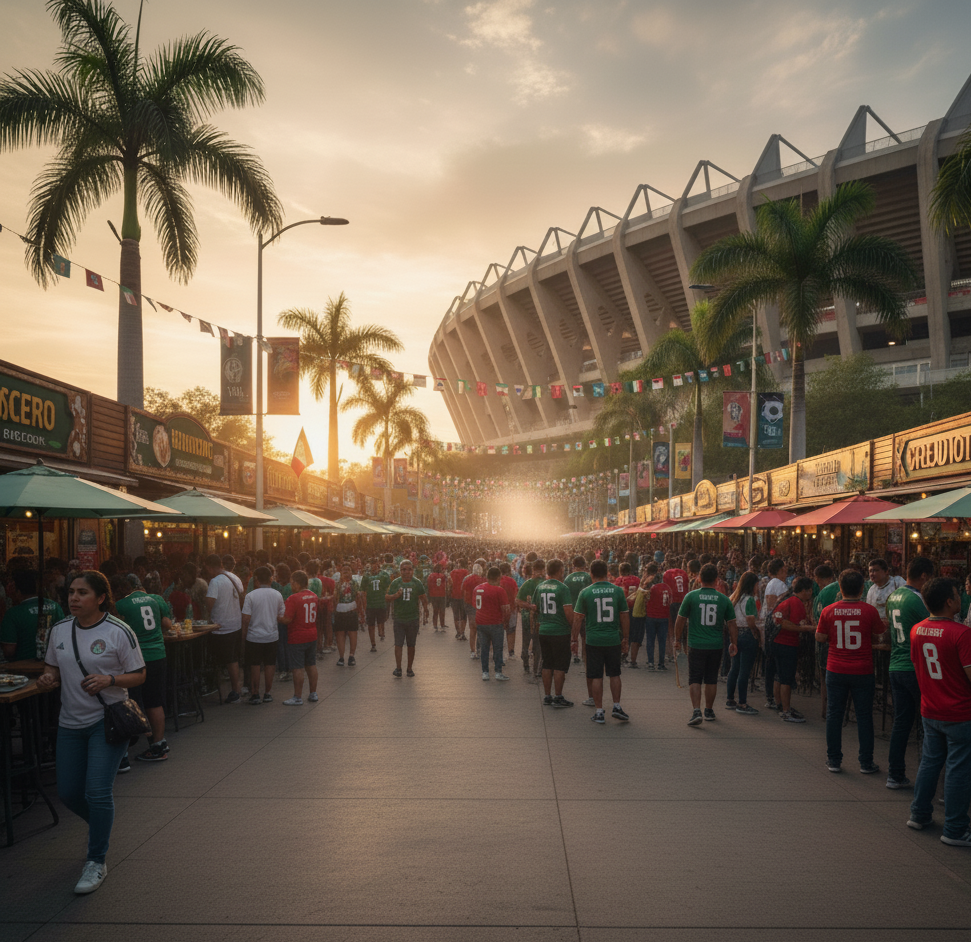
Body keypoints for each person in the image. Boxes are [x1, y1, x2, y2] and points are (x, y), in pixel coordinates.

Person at [36, 571, 146, 894]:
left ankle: (96, 860)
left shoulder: (118, 631)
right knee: (69, 793)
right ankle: (101, 824)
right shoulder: (59, 630)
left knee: (97, 791)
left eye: (82, 592)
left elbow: (139, 674)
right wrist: (47, 678)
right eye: (71, 592)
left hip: (107, 722)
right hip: (69, 723)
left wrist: (109, 680)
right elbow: (52, 667)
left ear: (100, 598)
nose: (73, 598)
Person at [907, 577, 971, 845]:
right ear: (949, 601)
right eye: (957, 594)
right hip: (959, 712)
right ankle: (955, 829)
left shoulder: (917, 630)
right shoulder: (961, 633)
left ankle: (919, 814)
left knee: (930, 761)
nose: (960, 598)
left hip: (930, 708)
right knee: (958, 768)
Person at [815, 569, 886, 774]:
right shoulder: (869, 610)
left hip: (836, 668)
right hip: (863, 670)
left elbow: (819, 637)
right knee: (864, 716)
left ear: (840, 587)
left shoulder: (829, 610)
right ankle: (866, 762)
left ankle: (834, 760)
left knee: (834, 715)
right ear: (862, 588)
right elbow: (879, 633)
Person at [882, 556, 934, 788]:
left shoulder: (894, 596)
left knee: (901, 722)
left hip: (896, 664)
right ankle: (928, 779)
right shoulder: (917, 600)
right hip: (916, 666)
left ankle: (895, 773)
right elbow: (933, 626)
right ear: (924, 576)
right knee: (928, 723)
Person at [110, 574, 170, 764]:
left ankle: (123, 754)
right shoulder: (157, 599)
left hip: (135, 659)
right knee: (155, 701)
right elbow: (167, 624)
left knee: (129, 703)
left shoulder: (122, 605)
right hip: (158, 654)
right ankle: (159, 745)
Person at [675, 563, 738, 726]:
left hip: (695, 644)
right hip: (716, 644)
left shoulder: (691, 596)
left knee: (695, 678)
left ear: (699, 578)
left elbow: (680, 619)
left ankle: (696, 710)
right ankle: (709, 710)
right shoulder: (724, 599)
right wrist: (733, 642)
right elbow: (732, 623)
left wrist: (676, 639)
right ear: (717, 580)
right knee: (711, 679)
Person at [572, 560, 630, 723]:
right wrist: (625, 638)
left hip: (593, 640)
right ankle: (617, 706)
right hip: (613, 639)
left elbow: (578, 618)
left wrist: (573, 639)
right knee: (614, 674)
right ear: (607, 573)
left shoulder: (585, 592)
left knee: (596, 676)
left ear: (591, 573)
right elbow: (624, 616)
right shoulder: (617, 591)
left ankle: (599, 711)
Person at [770, 576, 816, 723]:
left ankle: (779, 704)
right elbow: (784, 623)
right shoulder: (796, 602)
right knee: (786, 679)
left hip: (777, 642)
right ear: (805, 590)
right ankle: (786, 710)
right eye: (810, 591)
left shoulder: (787, 599)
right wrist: (806, 628)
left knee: (779, 675)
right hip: (786, 644)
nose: (811, 594)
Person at [532, 559, 575, 708]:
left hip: (544, 629)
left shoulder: (540, 587)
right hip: (560, 631)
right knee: (559, 665)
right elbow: (568, 612)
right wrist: (574, 630)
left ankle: (547, 695)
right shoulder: (563, 588)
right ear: (560, 571)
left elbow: (535, 608)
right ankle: (558, 696)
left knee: (547, 663)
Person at [203, 554, 245, 703]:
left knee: (228, 660)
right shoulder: (234, 577)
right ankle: (236, 689)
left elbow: (209, 603)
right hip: (236, 623)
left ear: (209, 567)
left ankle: (235, 691)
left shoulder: (215, 582)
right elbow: (241, 597)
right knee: (233, 659)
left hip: (222, 626)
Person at [241, 565, 285, 704]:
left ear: (256, 580)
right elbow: (281, 615)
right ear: (270, 579)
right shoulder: (277, 595)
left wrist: (243, 636)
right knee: (270, 664)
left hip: (254, 636)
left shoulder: (250, 596)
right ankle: (267, 693)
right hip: (271, 635)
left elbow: (246, 619)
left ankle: (255, 694)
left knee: (255, 664)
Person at [1, 569, 65, 661]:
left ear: (17, 590)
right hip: (53, 663)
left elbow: (9, 650)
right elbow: (64, 637)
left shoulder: (13, 614)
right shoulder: (55, 606)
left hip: (22, 666)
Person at [278, 570, 320, 704]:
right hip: (312, 634)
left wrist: (276, 617)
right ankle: (313, 693)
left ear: (296, 583)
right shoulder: (314, 596)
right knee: (311, 664)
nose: (291, 586)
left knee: (297, 667)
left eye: (291, 583)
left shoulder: (293, 598)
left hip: (297, 637)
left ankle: (297, 697)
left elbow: (287, 619)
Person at [726, 571, 760, 715]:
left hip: (735, 635)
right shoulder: (749, 600)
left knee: (735, 668)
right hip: (747, 635)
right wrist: (756, 632)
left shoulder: (733, 598)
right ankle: (742, 702)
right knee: (744, 671)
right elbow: (751, 620)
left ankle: (730, 699)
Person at [387, 560, 428, 677]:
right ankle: (398, 668)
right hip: (399, 619)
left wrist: (426, 612)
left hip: (413, 618)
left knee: (411, 645)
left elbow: (423, 598)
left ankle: (409, 668)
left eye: (409, 569)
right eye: (404, 569)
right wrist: (395, 596)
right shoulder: (395, 583)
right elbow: (387, 597)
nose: (406, 572)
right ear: (400, 571)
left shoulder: (417, 583)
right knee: (398, 644)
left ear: (413, 570)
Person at [475, 566, 511, 681]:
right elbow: (506, 609)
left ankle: (485, 672)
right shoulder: (499, 590)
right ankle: (498, 672)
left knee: (484, 648)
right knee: (497, 648)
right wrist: (506, 622)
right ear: (498, 577)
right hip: (495, 622)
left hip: (480, 622)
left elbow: (474, 605)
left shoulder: (477, 589)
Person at [761, 558, 788, 710]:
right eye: (784, 570)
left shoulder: (771, 583)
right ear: (779, 570)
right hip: (775, 626)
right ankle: (774, 697)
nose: (786, 573)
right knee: (775, 664)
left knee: (770, 662)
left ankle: (770, 695)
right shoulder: (780, 584)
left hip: (768, 624)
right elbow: (783, 606)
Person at [517, 559, 546, 677]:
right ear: (544, 570)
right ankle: (537, 669)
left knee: (526, 641)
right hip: (541, 619)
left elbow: (517, 601)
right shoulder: (546, 583)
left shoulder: (527, 583)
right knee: (538, 644)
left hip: (526, 617)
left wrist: (528, 606)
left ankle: (526, 663)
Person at [333, 561, 364, 667]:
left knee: (352, 633)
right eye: (344, 571)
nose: (346, 573)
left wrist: (359, 611)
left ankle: (351, 655)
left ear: (351, 572)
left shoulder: (354, 583)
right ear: (340, 572)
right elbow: (335, 598)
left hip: (351, 610)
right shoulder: (337, 584)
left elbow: (358, 597)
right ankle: (341, 657)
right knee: (340, 634)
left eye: (348, 570)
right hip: (340, 610)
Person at [642, 563, 671, 671]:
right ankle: (661, 663)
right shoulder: (667, 588)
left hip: (651, 616)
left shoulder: (652, 588)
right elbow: (670, 602)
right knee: (662, 641)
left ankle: (651, 663)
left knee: (650, 640)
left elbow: (645, 600)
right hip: (664, 617)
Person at [563, 557, 592, 665]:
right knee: (585, 636)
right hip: (586, 611)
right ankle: (585, 657)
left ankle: (574, 655)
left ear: (573, 566)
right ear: (584, 565)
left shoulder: (568, 578)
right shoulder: (588, 577)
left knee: (573, 634)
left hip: (572, 611)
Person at [363, 559, 391, 651]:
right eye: (372, 564)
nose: (374, 566)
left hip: (380, 603)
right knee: (371, 625)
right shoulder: (366, 576)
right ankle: (373, 644)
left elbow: (388, 583)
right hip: (370, 604)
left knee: (381, 621)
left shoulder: (383, 575)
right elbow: (363, 589)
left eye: (376, 564)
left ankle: (381, 631)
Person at [867, 558, 905, 625]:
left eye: (875, 570)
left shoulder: (898, 582)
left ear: (886, 571)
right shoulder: (871, 590)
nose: (872, 574)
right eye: (870, 571)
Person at [498, 562, 519, 659]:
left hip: (498, 609)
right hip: (511, 608)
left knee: (498, 631)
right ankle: (511, 652)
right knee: (511, 631)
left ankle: (498, 652)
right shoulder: (512, 581)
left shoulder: (497, 581)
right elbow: (516, 595)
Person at [448, 558, 469, 640]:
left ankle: (458, 632)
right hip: (463, 596)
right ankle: (462, 632)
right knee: (463, 616)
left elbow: (449, 584)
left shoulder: (452, 572)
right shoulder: (466, 572)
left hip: (454, 595)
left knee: (456, 615)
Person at [427, 563, 448, 632]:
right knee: (442, 610)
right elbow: (447, 583)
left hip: (433, 595)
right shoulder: (443, 576)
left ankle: (435, 625)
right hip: (442, 594)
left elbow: (428, 585)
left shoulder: (430, 576)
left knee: (435, 610)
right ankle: (442, 624)